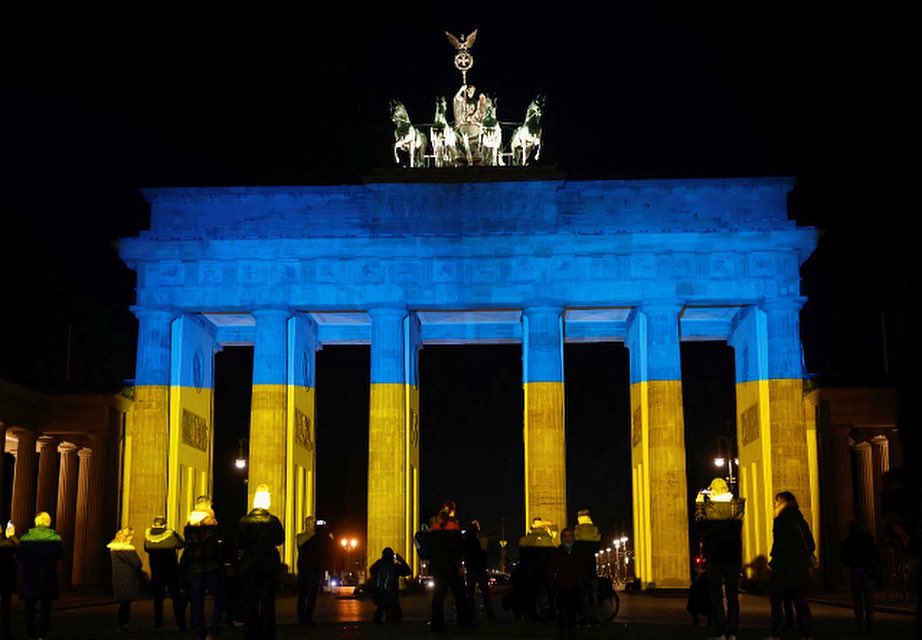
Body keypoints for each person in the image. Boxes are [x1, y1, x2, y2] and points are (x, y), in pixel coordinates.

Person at [234, 484, 285, 640]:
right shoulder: (273, 521)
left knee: (250, 602)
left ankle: (251, 633)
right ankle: (268, 633)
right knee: (268, 603)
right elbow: (279, 540)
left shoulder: (243, 521)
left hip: (249, 565)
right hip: (268, 564)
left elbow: (238, 542)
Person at [695, 477, 744, 640]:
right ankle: (734, 632)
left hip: (715, 556)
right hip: (733, 556)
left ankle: (720, 632)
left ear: (713, 490)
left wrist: (699, 503)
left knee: (716, 596)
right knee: (732, 596)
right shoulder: (736, 505)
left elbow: (700, 524)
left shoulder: (709, 508)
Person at [763, 491, 814, 640]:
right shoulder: (801, 520)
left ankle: (776, 633)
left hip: (783, 566)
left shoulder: (780, 520)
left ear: (780, 503)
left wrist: (774, 559)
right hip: (799, 567)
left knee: (776, 600)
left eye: (776, 502)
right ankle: (806, 634)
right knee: (800, 601)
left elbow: (779, 544)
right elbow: (811, 544)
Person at [183, 495, 226, 640]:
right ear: (207, 506)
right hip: (211, 567)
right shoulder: (210, 523)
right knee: (219, 598)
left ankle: (200, 630)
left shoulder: (189, 524)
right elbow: (213, 544)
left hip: (195, 567)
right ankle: (214, 629)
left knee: (196, 600)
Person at [16, 512, 64, 640]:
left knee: (29, 607)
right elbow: (60, 555)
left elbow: (19, 556)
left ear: (36, 522)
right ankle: (43, 634)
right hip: (47, 576)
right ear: (48, 522)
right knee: (46, 607)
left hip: (29, 576)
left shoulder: (26, 538)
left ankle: (30, 632)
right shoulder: (55, 537)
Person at [427, 500, 473, 631]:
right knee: (460, 595)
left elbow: (431, 548)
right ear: (453, 511)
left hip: (438, 567)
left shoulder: (434, 526)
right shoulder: (454, 526)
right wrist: (459, 566)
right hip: (451, 566)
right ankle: (463, 620)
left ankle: (437, 623)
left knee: (438, 596)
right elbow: (457, 549)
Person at [144, 514, 186, 631]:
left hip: (156, 572)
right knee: (176, 598)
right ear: (164, 524)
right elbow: (181, 544)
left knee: (158, 599)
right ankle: (180, 624)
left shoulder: (148, 536)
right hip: (171, 571)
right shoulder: (170, 535)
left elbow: (146, 549)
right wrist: (175, 533)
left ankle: (158, 624)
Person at [840, 518, 881, 634]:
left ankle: (860, 624)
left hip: (856, 569)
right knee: (868, 599)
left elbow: (844, 556)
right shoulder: (868, 537)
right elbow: (874, 552)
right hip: (867, 570)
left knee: (857, 599)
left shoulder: (849, 538)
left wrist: (851, 562)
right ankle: (869, 623)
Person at [296, 516, 333, 626]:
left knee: (309, 596)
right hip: (307, 568)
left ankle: (306, 619)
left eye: (313, 522)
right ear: (307, 524)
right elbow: (331, 539)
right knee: (305, 595)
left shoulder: (311, 536)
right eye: (311, 522)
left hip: (310, 568)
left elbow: (330, 542)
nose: (312, 524)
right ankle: (304, 619)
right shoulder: (312, 537)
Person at [108, 527, 145, 631]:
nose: (132, 538)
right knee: (126, 602)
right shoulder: (126, 549)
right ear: (128, 536)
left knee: (123, 602)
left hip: (118, 576)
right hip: (127, 577)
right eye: (131, 536)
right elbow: (137, 563)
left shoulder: (114, 548)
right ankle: (124, 624)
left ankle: (122, 623)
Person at [573, 508, 602, 627]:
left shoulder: (577, 530)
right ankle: (594, 620)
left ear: (579, 518)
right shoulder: (594, 530)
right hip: (591, 568)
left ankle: (583, 619)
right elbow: (598, 545)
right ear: (589, 517)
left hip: (580, 568)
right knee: (592, 596)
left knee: (581, 595)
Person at [551, 527, 581, 637]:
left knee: (573, 610)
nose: (567, 538)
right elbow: (553, 568)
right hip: (561, 586)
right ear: (561, 538)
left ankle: (571, 630)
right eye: (565, 536)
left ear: (573, 537)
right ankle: (562, 630)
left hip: (574, 585)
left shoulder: (578, 551)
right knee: (562, 610)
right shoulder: (557, 552)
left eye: (570, 536)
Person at [369, 547, 411, 623]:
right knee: (396, 617)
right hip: (392, 595)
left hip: (380, 593)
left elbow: (371, 570)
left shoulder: (378, 566)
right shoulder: (395, 567)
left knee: (379, 613)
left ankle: (378, 630)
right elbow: (408, 571)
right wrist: (401, 560)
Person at [463, 519, 495, 620]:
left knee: (471, 591)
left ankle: (470, 613)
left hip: (471, 567)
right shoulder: (476, 541)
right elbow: (480, 554)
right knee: (484, 592)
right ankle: (489, 613)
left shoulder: (466, 540)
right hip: (479, 567)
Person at [1, 521, 19, 640]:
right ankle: (5, 633)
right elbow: (19, 547)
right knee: (6, 608)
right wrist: (12, 535)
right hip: (6, 580)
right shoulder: (7, 544)